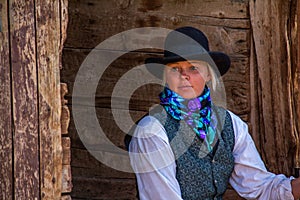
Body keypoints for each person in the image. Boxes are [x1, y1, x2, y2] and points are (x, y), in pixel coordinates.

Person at [125, 26, 300, 200]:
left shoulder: (230, 124)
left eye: (193, 68)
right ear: (166, 76)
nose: (184, 76)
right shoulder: (151, 132)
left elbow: (260, 187)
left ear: (209, 74)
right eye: (175, 69)